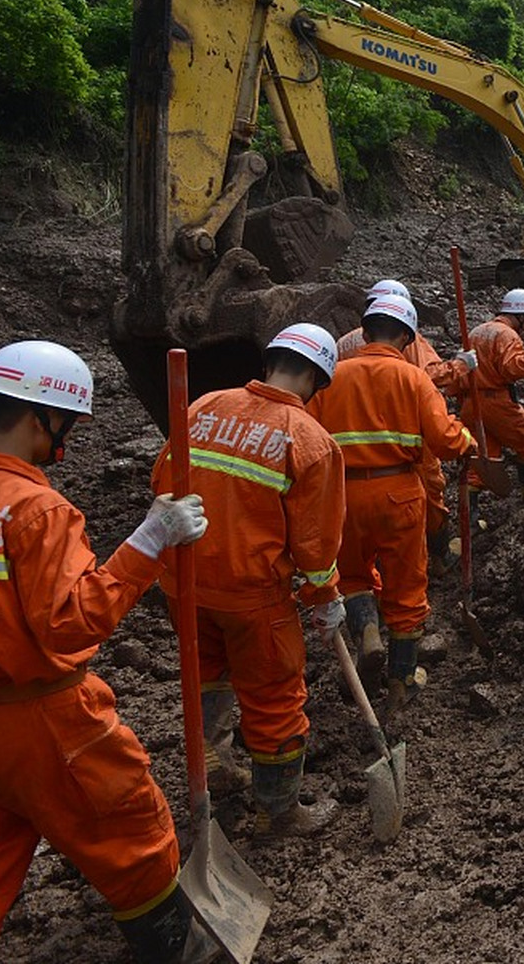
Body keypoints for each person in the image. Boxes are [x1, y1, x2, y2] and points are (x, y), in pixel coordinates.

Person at [0, 341, 212, 964]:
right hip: (42, 725)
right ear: (41, 420)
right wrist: (152, 537)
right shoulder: (36, 508)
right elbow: (72, 623)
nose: (67, 441)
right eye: (67, 427)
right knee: (135, 841)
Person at [150, 324, 345, 838]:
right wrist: (324, 595)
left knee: (207, 669)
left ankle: (212, 753)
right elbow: (314, 540)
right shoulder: (308, 439)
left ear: (270, 361)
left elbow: (160, 482)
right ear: (318, 381)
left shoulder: (204, 405)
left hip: (184, 580)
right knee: (275, 693)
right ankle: (279, 811)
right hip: (252, 594)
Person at [310, 295, 476, 704]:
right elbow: (444, 440)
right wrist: (467, 439)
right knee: (406, 589)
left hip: (343, 496)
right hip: (398, 493)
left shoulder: (331, 378)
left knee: (351, 577)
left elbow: (306, 437)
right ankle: (401, 681)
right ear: (406, 337)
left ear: (364, 332)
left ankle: (367, 630)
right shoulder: (413, 377)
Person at [336, 279, 452, 554]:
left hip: (348, 460)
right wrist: (458, 367)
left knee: (355, 559)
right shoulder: (408, 345)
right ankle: (438, 554)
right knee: (430, 497)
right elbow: (432, 377)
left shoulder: (342, 344)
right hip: (401, 447)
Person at [442, 288, 524, 495]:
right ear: (520, 315)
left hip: (469, 403)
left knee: (484, 455)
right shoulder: (506, 335)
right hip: (495, 402)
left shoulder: (477, 331)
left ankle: (470, 516)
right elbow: (513, 369)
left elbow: (459, 368)